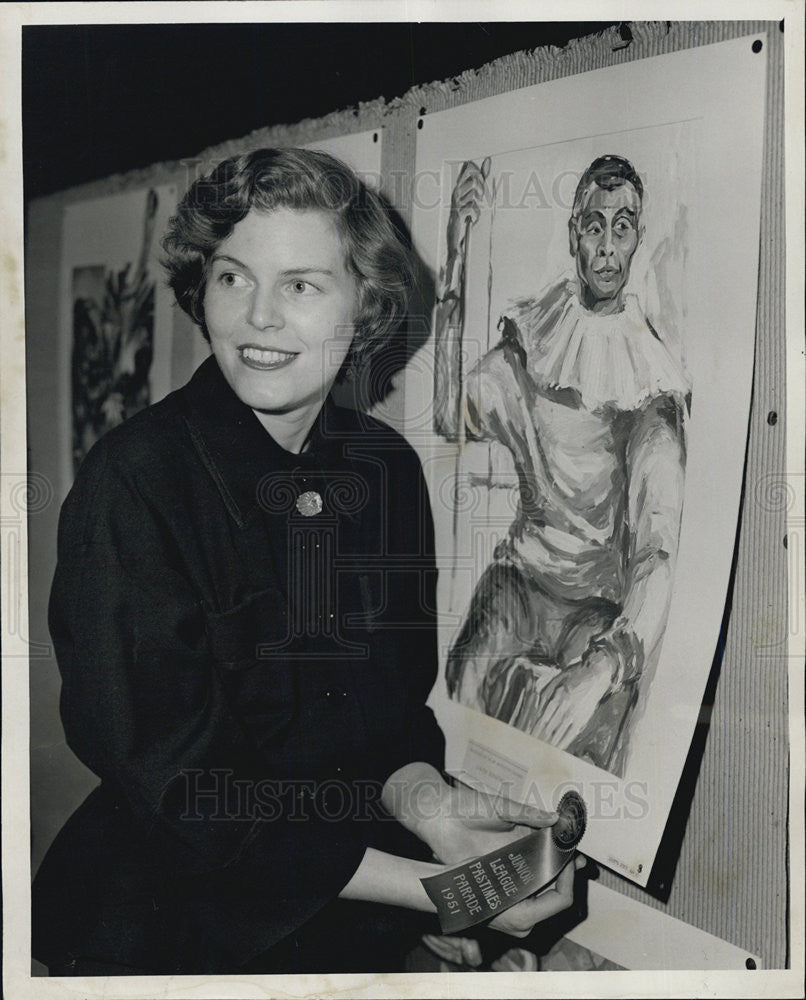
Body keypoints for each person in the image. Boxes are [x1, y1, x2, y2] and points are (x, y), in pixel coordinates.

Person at [32, 148, 583, 977]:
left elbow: (379, 718)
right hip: (161, 942)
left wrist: (430, 807)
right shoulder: (133, 485)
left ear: (364, 309)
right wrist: (440, 892)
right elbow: (191, 793)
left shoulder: (387, 472)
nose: (257, 317)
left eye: (300, 285)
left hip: (338, 926)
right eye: (232, 277)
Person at [434, 154, 689, 777]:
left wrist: (602, 666)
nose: (606, 247)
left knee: (581, 749)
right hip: (518, 585)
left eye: (621, 227)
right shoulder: (533, 340)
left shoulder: (651, 388)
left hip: (596, 608)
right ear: (574, 234)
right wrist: (455, 263)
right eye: (594, 227)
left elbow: (657, 553)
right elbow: (450, 414)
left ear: (636, 240)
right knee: (461, 697)